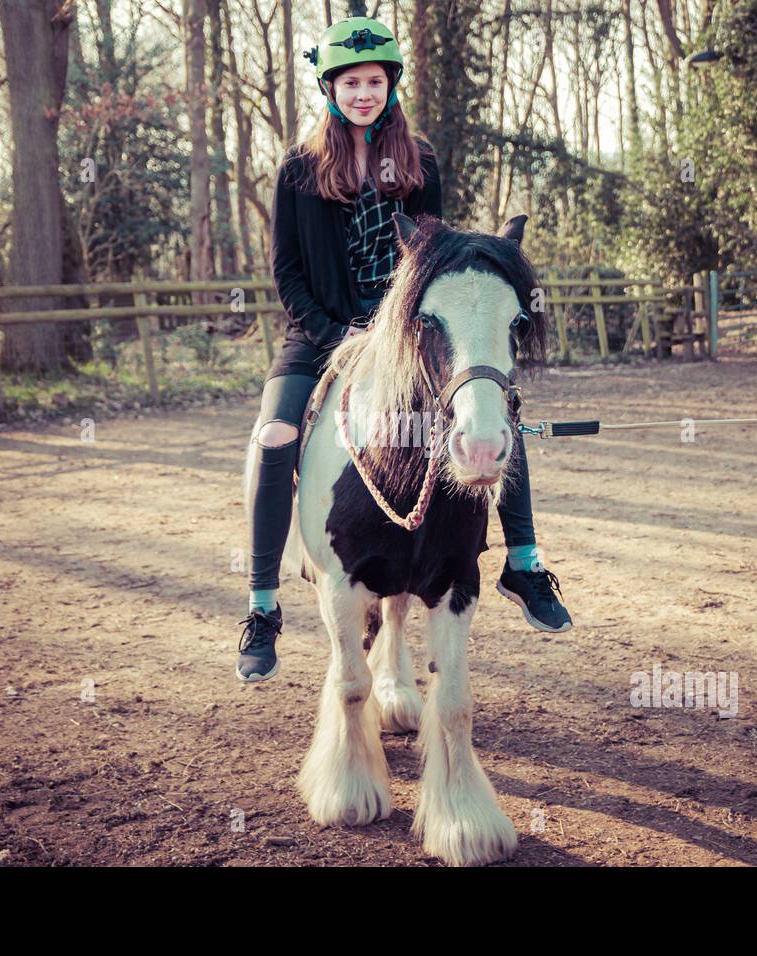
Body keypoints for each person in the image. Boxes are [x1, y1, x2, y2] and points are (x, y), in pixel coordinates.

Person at [237, 16, 572, 683]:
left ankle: (525, 563)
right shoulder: (299, 170)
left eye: (375, 81)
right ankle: (263, 604)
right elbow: (287, 273)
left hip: (409, 332)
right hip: (319, 335)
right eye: (351, 82)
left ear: (391, 86)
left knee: (492, 408)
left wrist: (398, 330)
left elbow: (434, 263)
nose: (363, 92)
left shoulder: (419, 162)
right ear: (331, 88)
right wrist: (338, 334)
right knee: (273, 435)